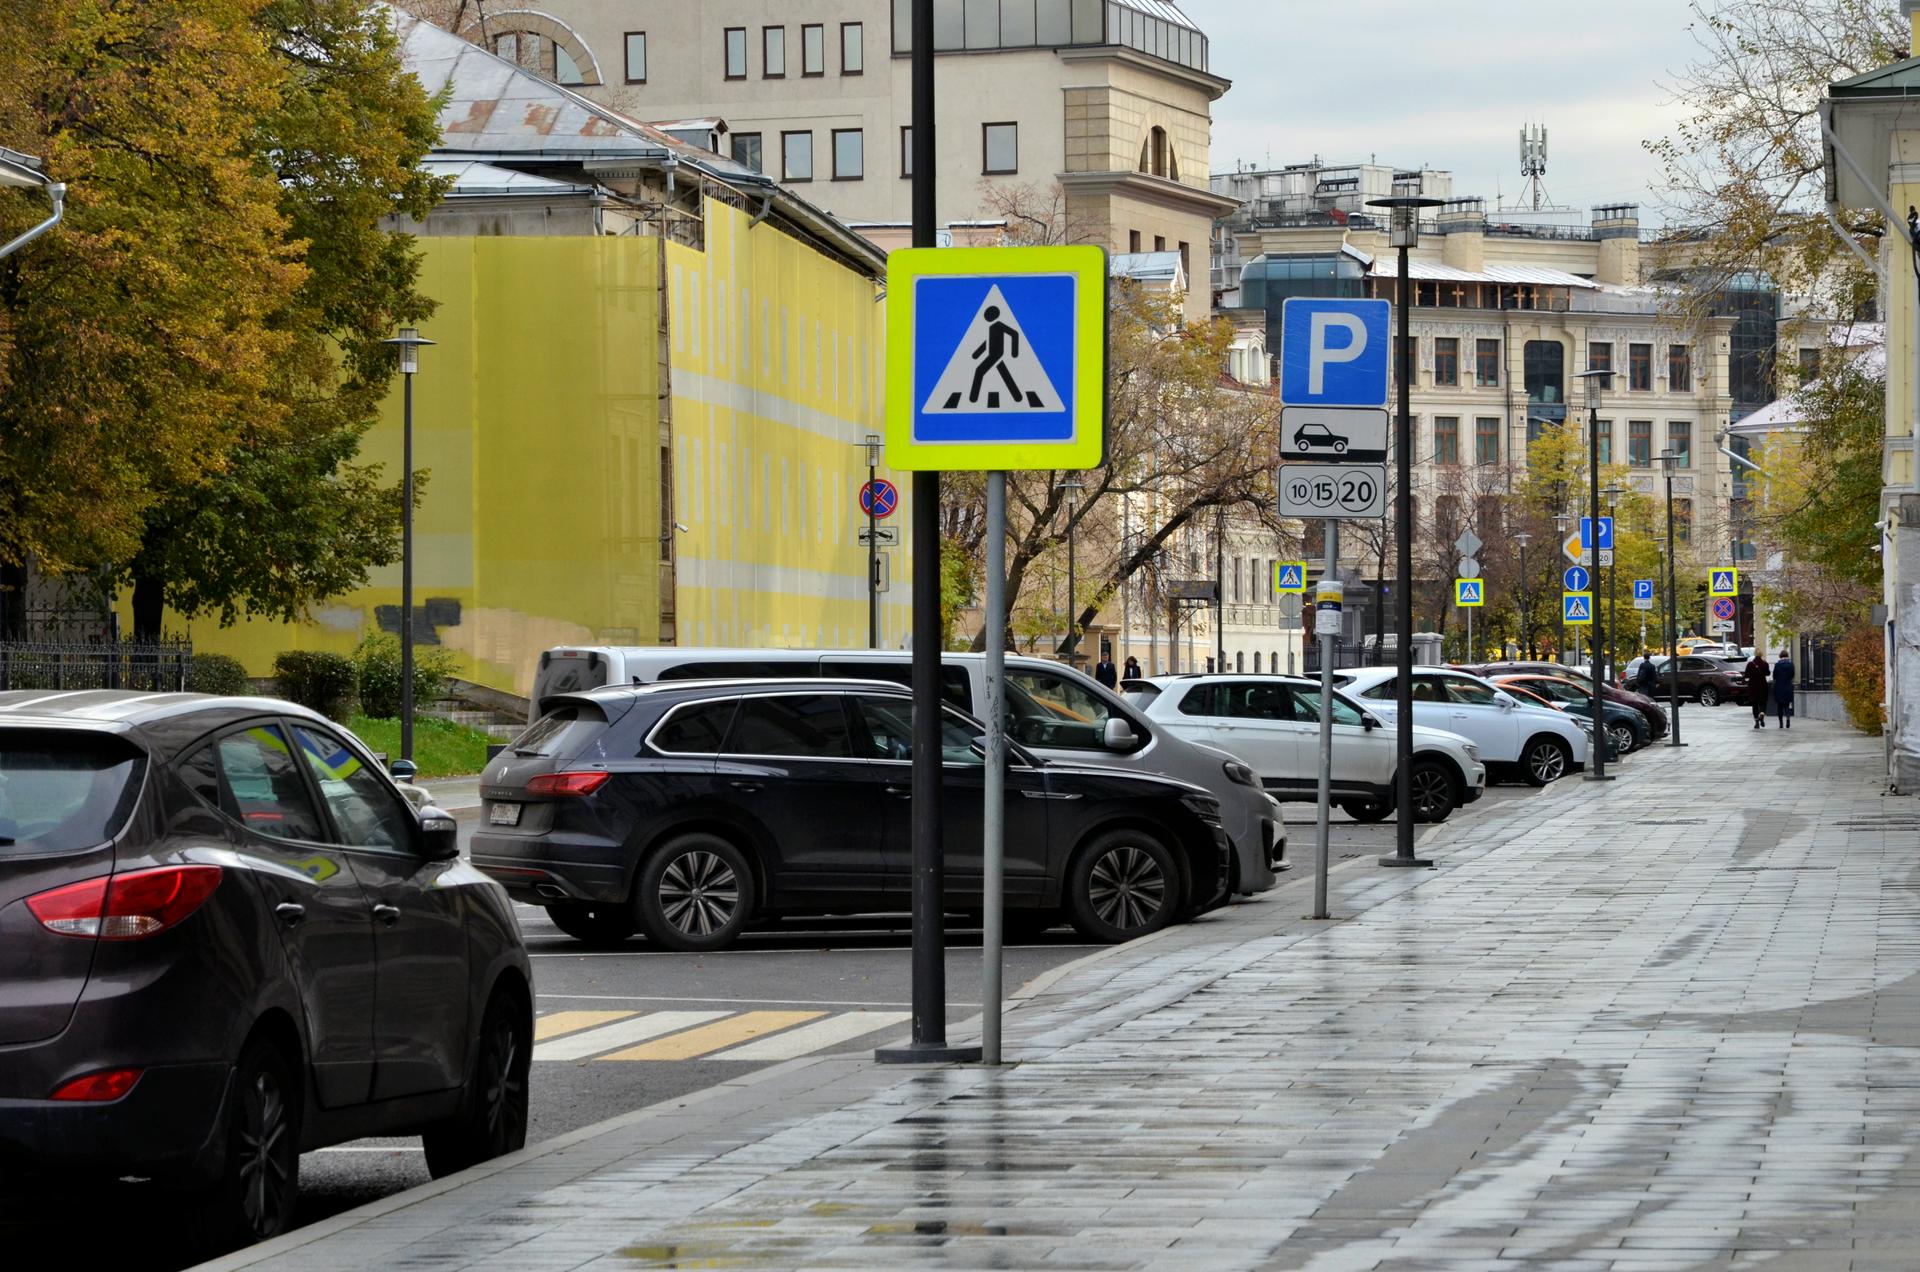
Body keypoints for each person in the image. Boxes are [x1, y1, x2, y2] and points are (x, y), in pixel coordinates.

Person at [1743, 650, 1772, 728]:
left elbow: (1746, 675)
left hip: (1753, 686)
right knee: (1763, 702)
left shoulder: (1750, 664)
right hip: (1762, 685)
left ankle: (1756, 722)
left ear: (1755, 654)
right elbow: (1768, 673)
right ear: (1761, 655)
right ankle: (1762, 714)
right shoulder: (1765, 664)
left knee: (1754, 704)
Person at [1773, 648, 1796, 729]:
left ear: (1780, 656)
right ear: (1787, 656)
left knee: (1779, 706)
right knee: (1787, 705)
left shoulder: (1777, 665)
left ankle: (1781, 723)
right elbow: (1792, 675)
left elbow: (1774, 676)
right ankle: (1788, 718)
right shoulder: (1791, 664)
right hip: (1788, 687)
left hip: (1779, 687)